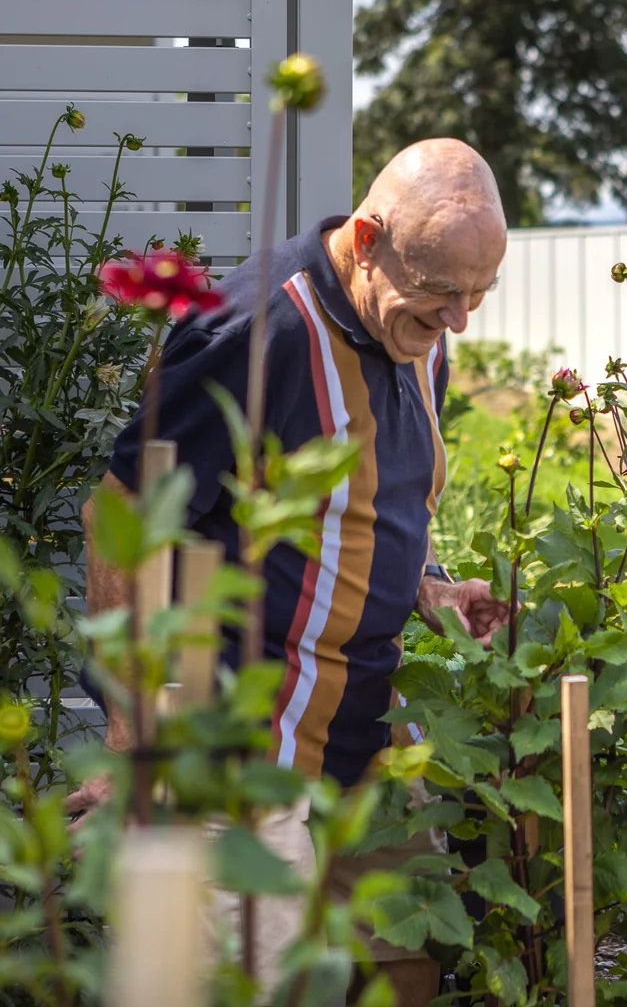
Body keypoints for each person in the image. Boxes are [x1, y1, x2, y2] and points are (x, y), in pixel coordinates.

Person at [69, 138, 512, 1006]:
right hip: (239, 749)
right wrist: (132, 732)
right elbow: (117, 515)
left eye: (479, 294)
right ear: (369, 235)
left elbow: (365, 502)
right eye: (441, 298)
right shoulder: (259, 328)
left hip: (360, 738)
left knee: (402, 963)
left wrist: (430, 586)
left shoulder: (414, 320)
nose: (460, 320)